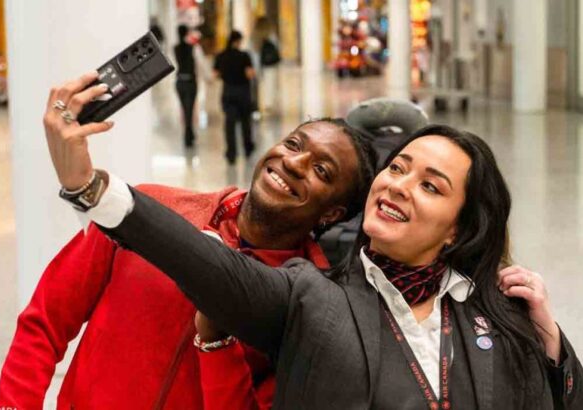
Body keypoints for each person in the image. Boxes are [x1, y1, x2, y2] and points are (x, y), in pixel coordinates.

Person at [45, 86, 582, 408]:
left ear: (459, 230)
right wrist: (90, 187)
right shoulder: (311, 294)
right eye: (397, 168)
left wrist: (552, 345)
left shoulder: (498, 315)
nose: (398, 184)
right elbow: (199, 258)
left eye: (430, 185)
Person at [0, 70, 383, 410]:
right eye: (295, 144)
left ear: (333, 213)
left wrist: (218, 339)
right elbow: (44, 321)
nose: (293, 162)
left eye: (321, 169)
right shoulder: (148, 213)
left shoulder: (308, 302)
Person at [214, 31, 255, 165]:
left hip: (228, 92)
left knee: (229, 124)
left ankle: (231, 153)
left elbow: (215, 74)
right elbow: (250, 74)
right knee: (245, 123)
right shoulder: (244, 56)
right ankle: (247, 148)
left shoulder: (221, 56)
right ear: (237, 41)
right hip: (243, 92)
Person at [174, 25, 212, 148]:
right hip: (190, 82)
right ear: (187, 33)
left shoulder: (175, 48)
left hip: (180, 82)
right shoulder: (194, 48)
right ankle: (188, 136)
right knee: (189, 108)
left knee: (185, 108)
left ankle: (189, 134)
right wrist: (208, 77)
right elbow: (200, 64)